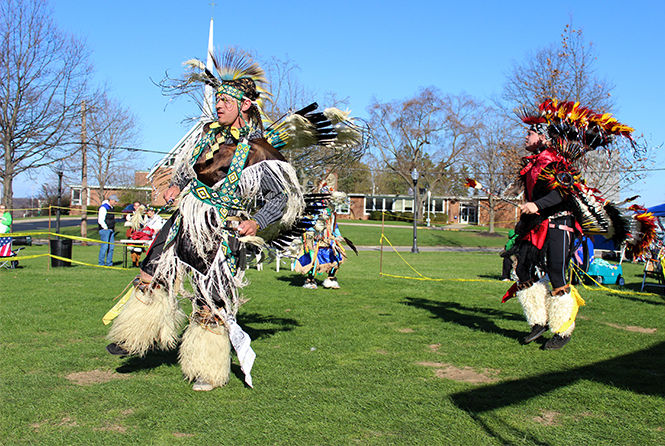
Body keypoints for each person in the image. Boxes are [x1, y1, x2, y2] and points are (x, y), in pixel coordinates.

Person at [105, 49, 307, 391]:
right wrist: (175, 186)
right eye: (217, 100)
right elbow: (187, 171)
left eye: (225, 100)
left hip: (219, 229)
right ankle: (134, 336)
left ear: (244, 105)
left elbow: (282, 198)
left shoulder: (259, 151)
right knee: (152, 269)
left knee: (209, 299)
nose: (219, 105)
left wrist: (256, 222)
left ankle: (208, 370)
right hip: (186, 218)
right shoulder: (208, 138)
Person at [503, 99, 639, 350]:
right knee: (521, 268)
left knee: (556, 272)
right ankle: (538, 320)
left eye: (530, 132)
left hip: (559, 223)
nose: (526, 135)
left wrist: (537, 205)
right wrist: (529, 212)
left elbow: (563, 193)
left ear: (542, 137)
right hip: (536, 225)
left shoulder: (554, 161)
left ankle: (563, 330)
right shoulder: (533, 164)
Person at [296, 189, 349, 289]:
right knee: (313, 259)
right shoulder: (315, 207)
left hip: (328, 239)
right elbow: (308, 221)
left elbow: (333, 225)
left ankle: (331, 279)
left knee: (336, 257)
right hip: (315, 238)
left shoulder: (331, 209)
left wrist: (338, 235)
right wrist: (313, 230)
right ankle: (310, 280)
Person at [97, 195, 119, 266]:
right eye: (115, 201)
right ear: (111, 200)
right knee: (105, 247)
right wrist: (105, 227)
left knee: (111, 247)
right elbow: (100, 220)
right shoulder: (103, 207)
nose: (116, 203)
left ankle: (109, 263)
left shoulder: (111, 208)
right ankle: (101, 263)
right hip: (105, 230)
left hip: (111, 229)